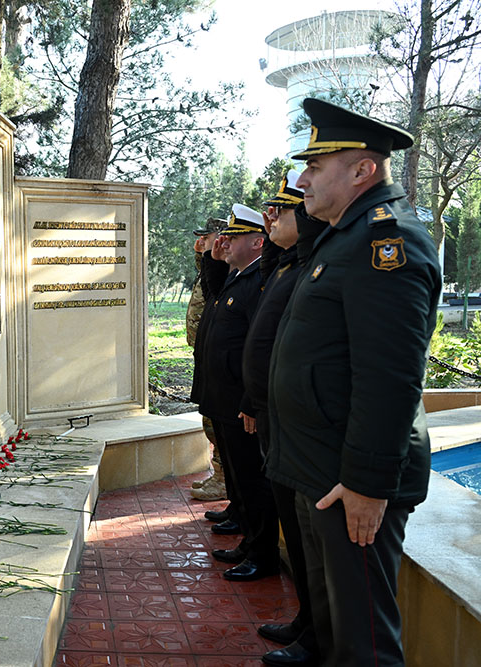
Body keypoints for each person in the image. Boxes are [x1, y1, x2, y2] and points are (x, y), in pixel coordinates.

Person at [267, 98, 440, 666]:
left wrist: (367, 484)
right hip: (319, 468)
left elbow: (390, 376)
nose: (304, 179)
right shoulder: (344, 236)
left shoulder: (385, 243)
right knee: (335, 624)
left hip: (351, 481)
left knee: (363, 641)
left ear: (363, 170)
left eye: (316, 167)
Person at [241, 171, 325, 667]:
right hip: (275, 415)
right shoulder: (287, 265)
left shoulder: (311, 264)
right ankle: (307, 621)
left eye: (282, 210)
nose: (271, 217)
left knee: (305, 535)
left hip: (295, 421)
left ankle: (316, 633)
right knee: (295, 530)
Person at [195, 205, 278, 582]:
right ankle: (246, 535)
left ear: (258, 242)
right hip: (224, 394)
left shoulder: (257, 280)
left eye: (234, 237)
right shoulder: (237, 277)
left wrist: (250, 399)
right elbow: (213, 295)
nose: (224, 242)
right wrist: (211, 259)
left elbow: (260, 347)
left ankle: (260, 551)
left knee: (252, 477)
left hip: (240, 398)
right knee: (239, 474)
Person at [187, 217, 229, 503]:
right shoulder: (210, 265)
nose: (201, 240)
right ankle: (220, 476)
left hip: (219, 354)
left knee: (217, 422)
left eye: (207, 236)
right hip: (204, 350)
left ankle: (225, 480)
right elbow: (205, 273)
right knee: (210, 418)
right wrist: (201, 252)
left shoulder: (226, 267)